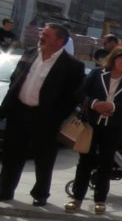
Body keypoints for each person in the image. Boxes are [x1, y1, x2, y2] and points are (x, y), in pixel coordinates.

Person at [0, 23, 85, 205]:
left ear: (59, 41)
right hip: (19, 112)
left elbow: (73, 98)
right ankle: (5, 190)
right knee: (12, 155)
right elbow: (16, 80)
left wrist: (55, 118)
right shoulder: (30, 53)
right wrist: (5, 109)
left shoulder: (72, 66)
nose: (41, 36)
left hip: (46, 119)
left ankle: (40, 194)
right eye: (42, 32)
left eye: (46, 34)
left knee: (43, 158)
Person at [64, 47, 122, 215]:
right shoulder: (97, 73)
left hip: (115, 126)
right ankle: (77, 198)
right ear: (114, 59)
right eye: (121, 59)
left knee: (106, 163)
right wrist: (94, 104)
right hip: (92, 123)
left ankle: (100, 200)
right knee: (85, 160)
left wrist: (112, 106)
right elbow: (80, 93)